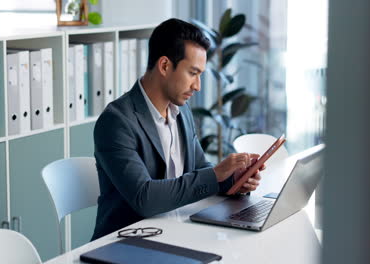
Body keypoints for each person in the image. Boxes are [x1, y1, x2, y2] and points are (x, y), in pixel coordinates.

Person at [91, 18, 262, 240]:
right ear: (164, 66)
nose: (197, 86)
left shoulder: (182, 112)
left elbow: (200, 170)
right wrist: (215, 174)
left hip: (176, 233)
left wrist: (235, 180)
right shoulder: (116, 121)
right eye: (193, 73)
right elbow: (145, 198)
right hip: (126, 243)